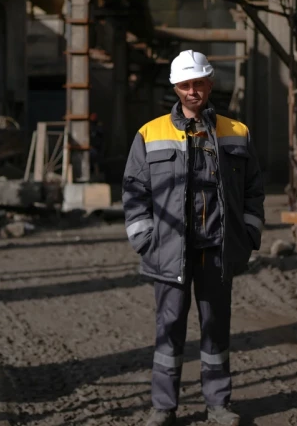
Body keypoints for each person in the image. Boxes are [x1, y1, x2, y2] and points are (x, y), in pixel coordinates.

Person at [122, 50, 265, 426]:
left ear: (209, 84)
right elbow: (134, 190)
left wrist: (249, 232)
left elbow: (254, 188)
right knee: (168, 330)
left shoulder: (236, 132)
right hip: (169, 252)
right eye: (184, 85)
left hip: (217, 250)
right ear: (175, 87)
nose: (192, 91)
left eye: (198, 83)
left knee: (216, 329)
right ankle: (163, 407)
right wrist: (145, 238)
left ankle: (218, 405)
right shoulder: (150, 133)